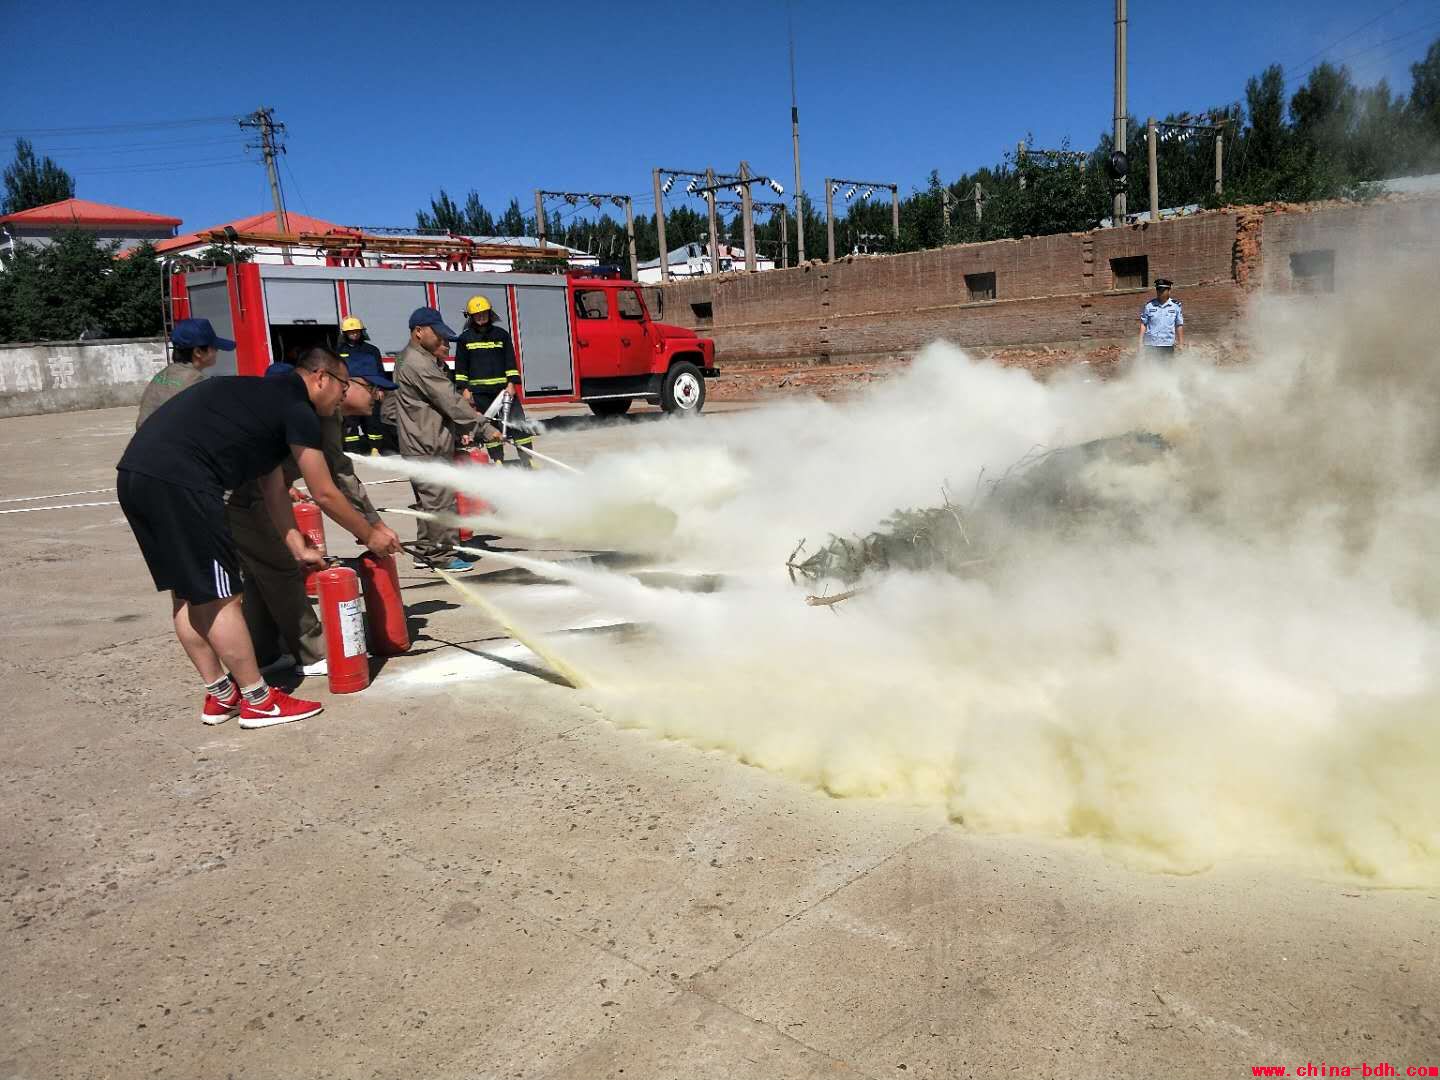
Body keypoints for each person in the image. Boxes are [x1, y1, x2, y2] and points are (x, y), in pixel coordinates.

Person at [116, 349, 402, 729]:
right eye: (342, 385)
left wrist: (295, 544)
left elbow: (272, 488)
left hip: (136, 475)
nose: (342, 395)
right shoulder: (298, 409)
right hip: (184, 481)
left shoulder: (263, 399)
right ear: (320, 378)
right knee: (222, 597)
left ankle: (220, 695)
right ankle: (259, 699)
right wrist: (370, 533)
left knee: (188, 593)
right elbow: (325, 491)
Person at [226, 350, 398, 680]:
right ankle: (314, 651)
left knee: (260, 572)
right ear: (341, 383)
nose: (378, 396)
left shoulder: (323, 410)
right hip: (245, 494)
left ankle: (266, 652)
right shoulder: (319, 414)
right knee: (281, 567)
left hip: (253, 490)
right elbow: (333, 483)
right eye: (371, 387)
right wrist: (370, 528)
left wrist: (371, 525)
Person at [392, 306, 501, 573]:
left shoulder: (411, 359)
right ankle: (443, 555)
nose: (443, 342)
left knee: (428, 500)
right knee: (440, 499)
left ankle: (426, 550)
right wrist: (484, 429)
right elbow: (450, 401)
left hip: (420, 440)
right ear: (418, 332)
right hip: (426, 443)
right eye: (438, 335)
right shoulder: (419, 364)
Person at [453, 295, 535, 467]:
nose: (481, 317)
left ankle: (528, 459)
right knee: (487, 426)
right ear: (470, 317)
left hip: (503, 391)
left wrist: (511, 384)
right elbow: (461, 366)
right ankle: (497, 459)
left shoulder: (502, 335)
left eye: (484, 313)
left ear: (490, 313)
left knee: (519, 424)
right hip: (480, 392)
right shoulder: (464, 339)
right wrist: (464, 389)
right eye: (477, 314)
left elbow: (510, 361)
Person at [136, 319, 229, 428]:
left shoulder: (163, 374)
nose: (217, 351)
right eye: (214, 347)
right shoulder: (197, 382)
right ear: (198, 352)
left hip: (145, 441)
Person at [336, 315, 389, 455]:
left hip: (370, 391)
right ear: (345, 333)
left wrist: (381, 389)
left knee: (373, 421)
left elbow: (379, 371)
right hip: (349, 393)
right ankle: (354, 451)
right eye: (351, 331)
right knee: (350, 422)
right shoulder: (339, 351)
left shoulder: (372, 350)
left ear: (361, 331)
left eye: (357, 331)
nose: (354, 333)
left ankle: (375, 448)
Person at [1139, 278, 1184, 360]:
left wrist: (1181, 343)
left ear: (1169, 291)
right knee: (1151, 368)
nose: (1160, 292)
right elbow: (1143, 324)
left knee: (1167, 369)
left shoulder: (1176, 306)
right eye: (1158, 290)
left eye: (1163, 290)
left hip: (1167, 344)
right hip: (1151, 344)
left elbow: (1179, 325)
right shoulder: (1149, 306)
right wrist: (1140, 342)